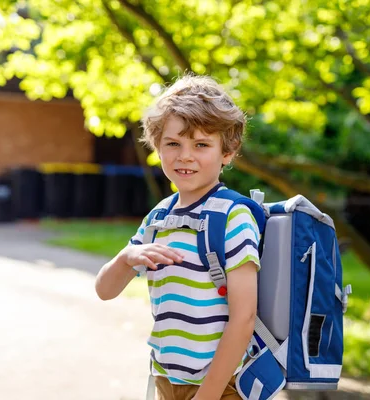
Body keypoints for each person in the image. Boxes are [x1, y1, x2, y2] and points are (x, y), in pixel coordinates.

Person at [95, 75, 260, 400]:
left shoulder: (232, 216)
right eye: (173, 144)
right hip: (166, 379)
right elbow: (105, 290)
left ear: (227, 152)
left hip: (222, 384)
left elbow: (244, 318)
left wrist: (207, 395)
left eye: (201, 145)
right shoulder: (158, 218)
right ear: (157, 147)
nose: (185, 156)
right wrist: (127, 258)